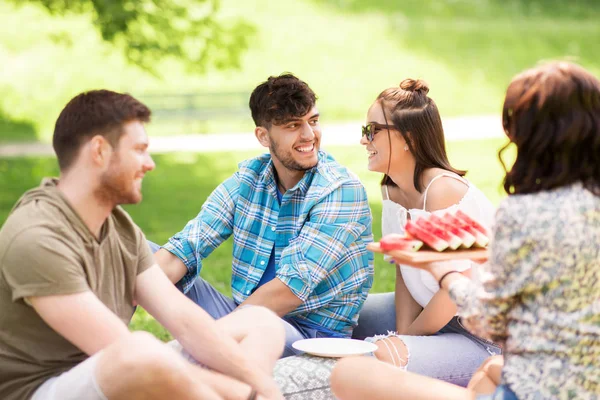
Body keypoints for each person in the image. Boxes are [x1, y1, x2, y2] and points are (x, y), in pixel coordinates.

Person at [331, 61, 600, 399]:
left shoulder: (525, 213)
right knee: (350, 321)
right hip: (550, 372)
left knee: (352, 372)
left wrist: (444, 271)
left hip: (516, 369)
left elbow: (490, 320)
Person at [0, 90, 285, 400]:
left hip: (109, 372)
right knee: (140, 350)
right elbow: (122, 349)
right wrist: (242, 392)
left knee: (262, 322)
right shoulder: (37, 237)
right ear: (99, 151)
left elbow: (183, 320)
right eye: (138, 150)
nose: (149, 164)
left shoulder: (118, 227)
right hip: (40, 391)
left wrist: (263, 385)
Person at [153, 73, 374, 357]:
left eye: (313, 121)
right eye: (293, 126)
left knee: (254, 324)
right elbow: (188, 245)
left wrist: (211, 337)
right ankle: (102, 353)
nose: (309, 135)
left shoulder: (340, 190)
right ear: (263, 136)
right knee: (143, 262)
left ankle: (165, 360)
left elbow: (288, 291)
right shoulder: (249, 179)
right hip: (242, 316)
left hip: (307, 338)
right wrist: (143, 284)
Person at [350, 78, 500, 386]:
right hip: (432, 318)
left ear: (408, 138)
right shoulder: (393, 190)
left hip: (481, 336)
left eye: (373, 130)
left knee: (380, 355)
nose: (364, 140)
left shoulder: (442, 191)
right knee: (346, 314)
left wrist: (406, 341)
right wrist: (405, 334)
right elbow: (405, 271)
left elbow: (453, 295)